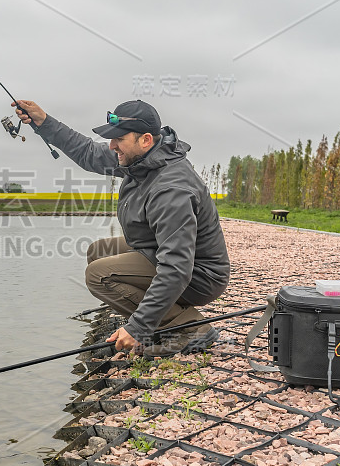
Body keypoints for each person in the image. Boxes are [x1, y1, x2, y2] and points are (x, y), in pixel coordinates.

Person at [13, 99, 230, 358]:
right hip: (167, 253)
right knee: (99, 252)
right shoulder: (143, 161)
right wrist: (44, 123)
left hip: (199, 275)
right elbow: (88, 153)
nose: (112, 145)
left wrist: (137, 327)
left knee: (98, 274)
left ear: (146, 140)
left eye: (118, 139)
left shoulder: (171, 188)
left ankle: (190, 328)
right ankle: (162, 319)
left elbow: (176, 267)